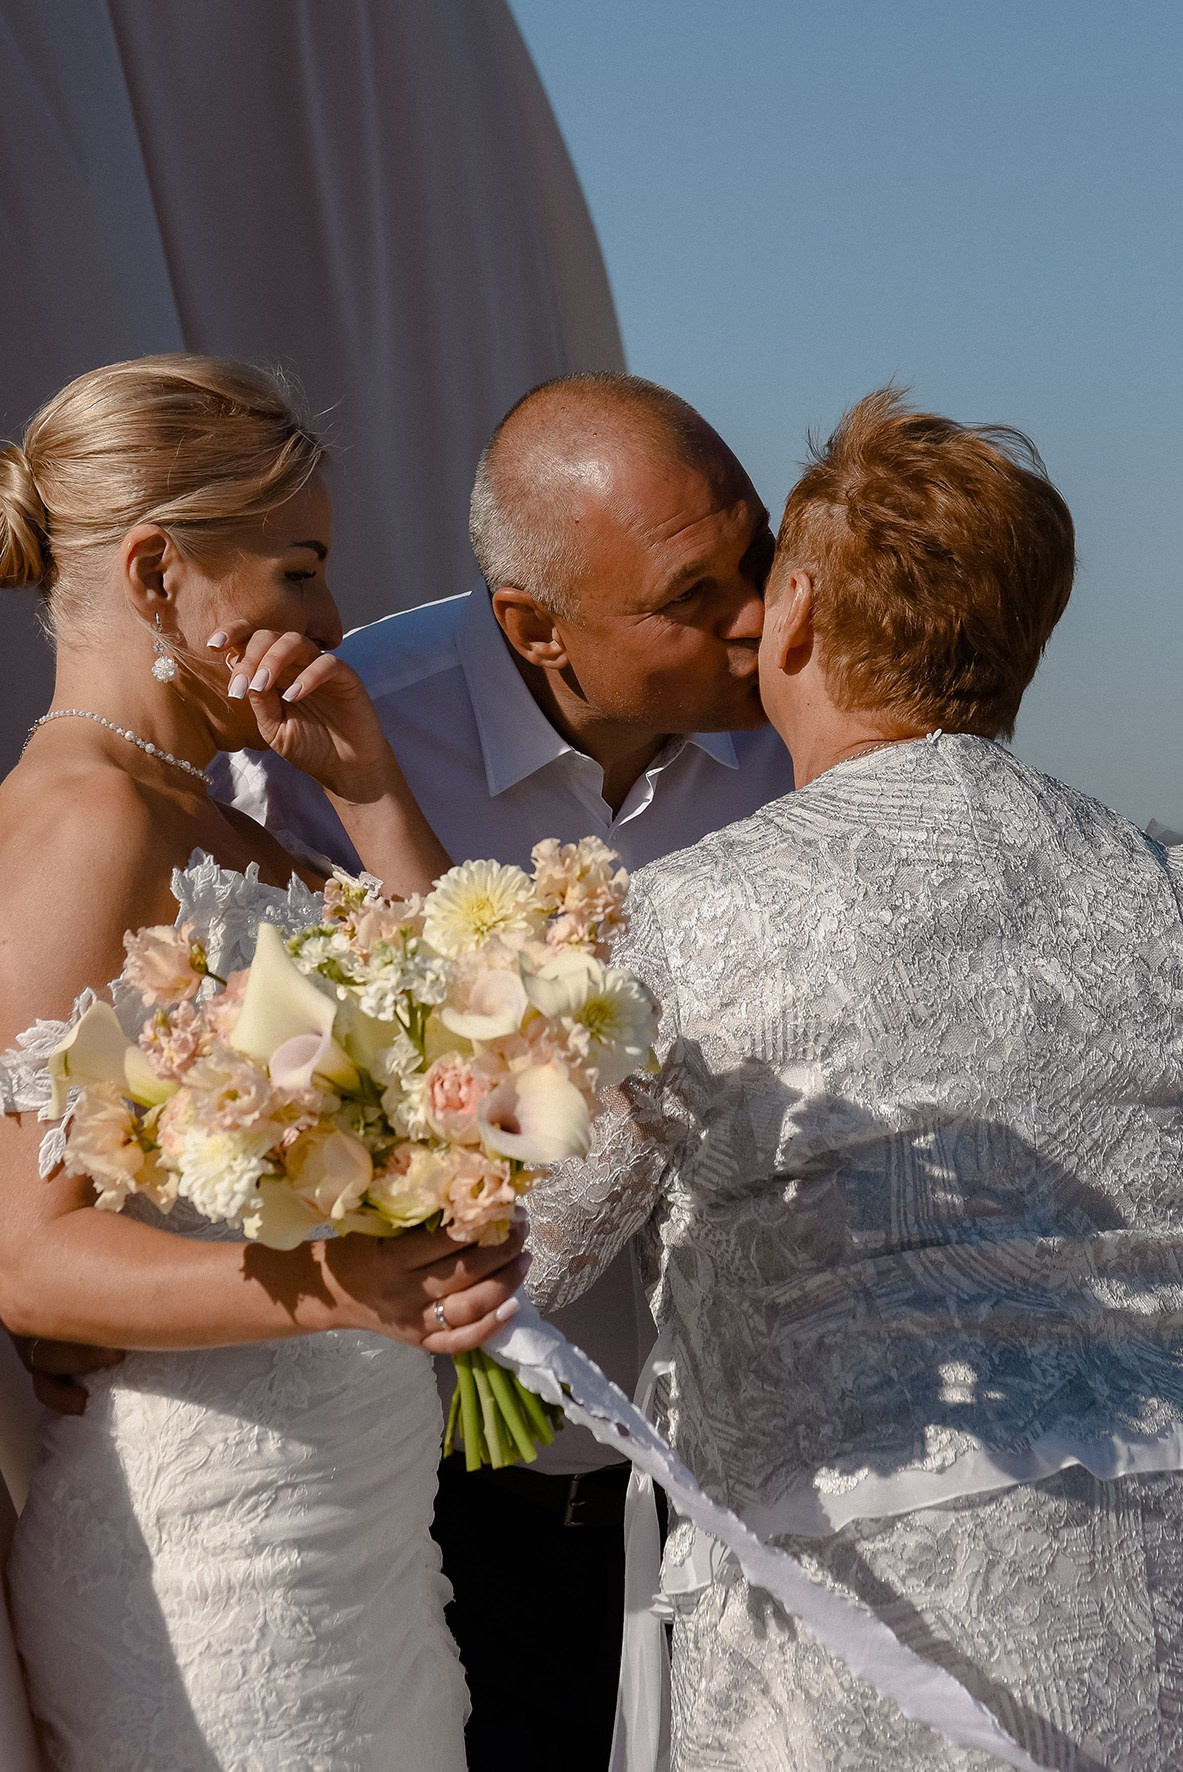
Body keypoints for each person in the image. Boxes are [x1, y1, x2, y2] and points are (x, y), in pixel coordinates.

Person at [525, 389, 1183, 1769]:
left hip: (858, 1639)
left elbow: (524, 1243)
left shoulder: (681, 920)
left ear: (799, 617)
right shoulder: (1163, 886)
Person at [219, 371, 794, 1769]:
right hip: (436, 1490)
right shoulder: (337, 744)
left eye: (761, 560)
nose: (760, 619)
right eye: (693, 592)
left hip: (729, 1492)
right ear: (536, 628)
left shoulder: (806, 732)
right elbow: (258, 1107)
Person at [0, 354, 529, 1771]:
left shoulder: (233, 814)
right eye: (298, 571)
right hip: (211, 1544)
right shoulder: (84, 821)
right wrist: (346, 1287)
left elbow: (498, 1063)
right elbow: (26, 1256)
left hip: (360, 1532)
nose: (332, 619)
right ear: (159, 573)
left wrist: (370, 793)